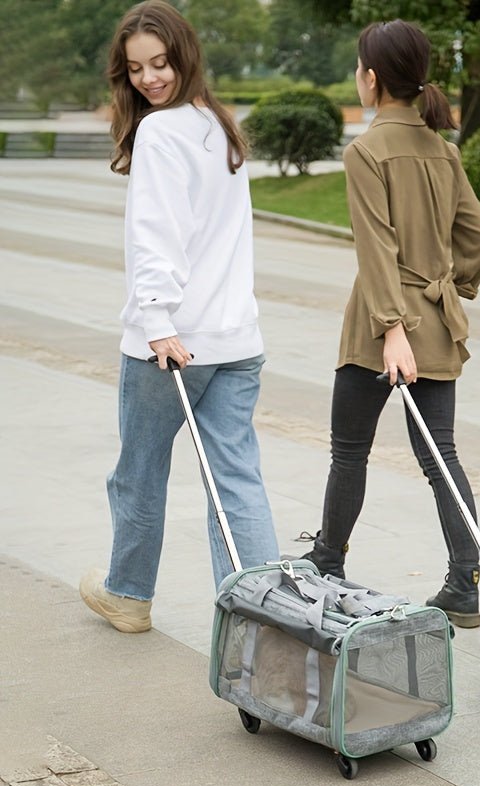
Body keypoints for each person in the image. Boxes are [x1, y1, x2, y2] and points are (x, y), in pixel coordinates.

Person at [80, 0, 279, 633]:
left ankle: (128, 596)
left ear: (183, 56)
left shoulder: (161, 132)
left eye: (160, 63)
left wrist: (158, 320)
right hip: (236, 338)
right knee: (236, 480)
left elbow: (157, 238)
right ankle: (262, 617)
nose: (149, 79)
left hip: (172, 344)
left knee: (139, 471)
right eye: (137, 68)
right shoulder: (218, 125)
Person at [301, 20, 480, 629]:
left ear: (372, 78)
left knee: (349, 451)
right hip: (435, 323)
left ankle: (326, 562)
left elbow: (376, 249)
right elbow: (479, 240)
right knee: (442, 456)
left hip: (379, 330)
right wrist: (448, 288)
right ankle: (465, 581)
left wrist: (391, 327)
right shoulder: (445, 150)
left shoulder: (365, 150)